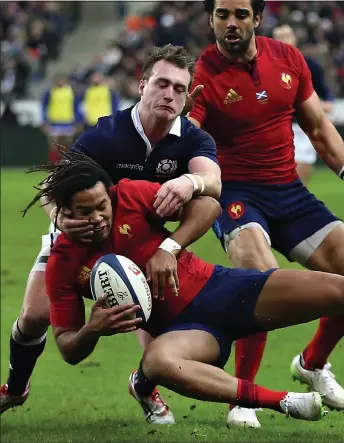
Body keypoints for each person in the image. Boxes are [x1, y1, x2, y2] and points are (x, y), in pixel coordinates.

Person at [25, 151, 344, 426]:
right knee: (159, 362)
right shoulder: (62, 264)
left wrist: (169, 246)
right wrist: (93, 328)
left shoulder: (129, 194)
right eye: (82, 212)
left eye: (101, 208)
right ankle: (282, 402)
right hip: (187, 335)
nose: (96, 218)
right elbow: (67, 348)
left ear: (109, 196)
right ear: (61, 213)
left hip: (224, 290)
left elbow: (209, 206)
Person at [186, 0, 344, 427]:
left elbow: (318, 126)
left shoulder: (288, 59)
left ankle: (312, 363)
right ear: (210, 19)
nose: (231, 23)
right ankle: (241, 398)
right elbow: (188, 141)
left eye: (240, 14)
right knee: (261, 283)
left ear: (257, 19)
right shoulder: (201, 75)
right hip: (236, 195)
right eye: (222, 14)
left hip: (289, 192)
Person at [0, 45, 221, 425]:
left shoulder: (194, 140)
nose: (170, 94)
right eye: (162, 84)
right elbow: (53, 188)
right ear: (142, 85)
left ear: (187, 97)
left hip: (140, 242)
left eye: (180, 89)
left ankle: (145, 387)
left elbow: (213, 183)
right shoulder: (106, 134)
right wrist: (60, 220)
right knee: (35, 314)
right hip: (81, 235)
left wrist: (190, 181)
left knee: (155, 325)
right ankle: (16, 387)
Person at [272, 24, 334, 185]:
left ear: (294, 38)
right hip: (274, 127)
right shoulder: (263, 66)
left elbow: (325, 94)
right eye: (280, 36)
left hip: (302, 126)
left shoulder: (310, 65)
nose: (284, 39)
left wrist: (326, 105)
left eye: (287, 35)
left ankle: (296, 203)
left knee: (302, 168)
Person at [41, 74, 82, 163]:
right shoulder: (50, 92)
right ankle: (54, 165)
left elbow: (76, 107)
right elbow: (44, 107)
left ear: (66, 81)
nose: (60, 81)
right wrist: (44, 120)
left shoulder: (72, 92)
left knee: (67, 145)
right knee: (54, 145)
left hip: (68, 122)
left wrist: (79, 120)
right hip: (54, 122)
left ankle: (66, 164)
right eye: (58, 80)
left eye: (62, 80)